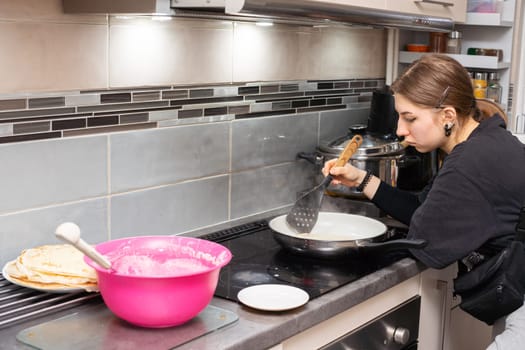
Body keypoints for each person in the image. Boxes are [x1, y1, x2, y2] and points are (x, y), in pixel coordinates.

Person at [322, 54, 525, 349]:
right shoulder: (486, 139)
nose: (401, 130)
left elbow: (424, 240)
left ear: (447, 116)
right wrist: (360, 180)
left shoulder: (468, 162)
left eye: (410, 118)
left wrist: (355, 249)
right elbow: (423, 207)